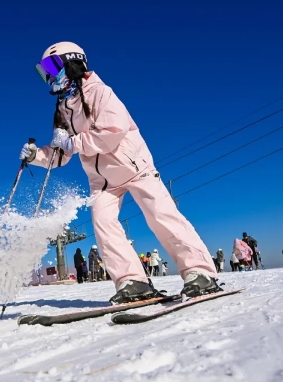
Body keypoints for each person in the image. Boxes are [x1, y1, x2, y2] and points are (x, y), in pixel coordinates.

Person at [21, 42, 219, 304]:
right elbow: (62, 154)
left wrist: (74, 143)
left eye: (51, 67)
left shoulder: (101, 93)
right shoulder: (64, 108)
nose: (47, 76)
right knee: (104, 225)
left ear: (71, 64)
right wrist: (38, 156)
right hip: (102, 182)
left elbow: (112, 134)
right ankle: (132, 281)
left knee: (161, 215)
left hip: (136, 168)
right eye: (43, 70)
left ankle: (200, 272)